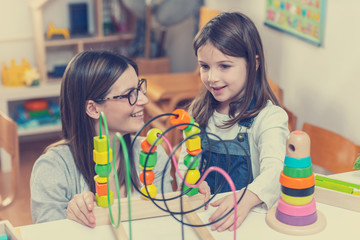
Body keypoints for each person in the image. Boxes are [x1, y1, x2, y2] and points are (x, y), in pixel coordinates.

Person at [30, 50, 176, 227]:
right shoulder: (53, 170)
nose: (144, 100)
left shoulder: (153, 155)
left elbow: (167, 226)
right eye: (130, 94)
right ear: (93, 109)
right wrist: (70, 219)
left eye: (139, 89)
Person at [178, 12, 289, 232]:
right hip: (206, 220)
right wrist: (191, 184)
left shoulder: (269, 118)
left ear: (254, 63)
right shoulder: (198, 114)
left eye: (224, 66)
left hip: (250, 223)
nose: (212, 77)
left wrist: (245, 200)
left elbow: (275, 172)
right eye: (205, 66)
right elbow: (184, 164)